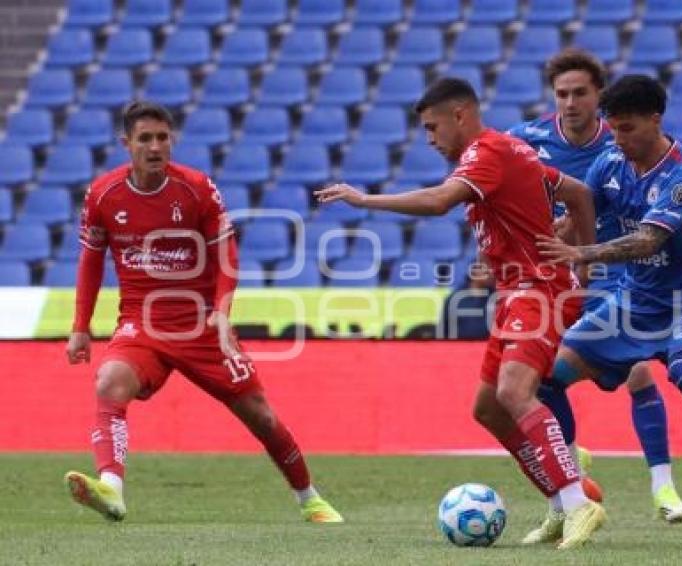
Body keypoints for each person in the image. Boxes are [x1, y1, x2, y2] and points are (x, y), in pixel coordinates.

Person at [316, 78, 606, 550]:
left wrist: (364, 199)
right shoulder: (512, 152)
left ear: (460, 116)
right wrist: (584, 260)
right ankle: (559, 504)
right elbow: (576, 192)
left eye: (432, 128)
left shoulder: (487, 151)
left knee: (515, 391)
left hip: (539, 289)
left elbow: (438, 201)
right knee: (489, 408)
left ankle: (579, 503)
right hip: (516, 292)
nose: (430, 140)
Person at [508, 49, 682, 532]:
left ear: (655, 120)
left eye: (627, 128)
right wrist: (545, 249)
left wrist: (583, 256)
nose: (618, 138)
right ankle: (572, 483)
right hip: (629, 302)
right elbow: (578, 214)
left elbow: (649, 240)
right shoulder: (610, 163)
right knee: (546, 379)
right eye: (615, 127)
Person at [64, 101, 342, 524]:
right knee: (109, 383)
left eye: (163, 137)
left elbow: (226, 252)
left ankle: (310, 499)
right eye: (145, 138)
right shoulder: (103, 194)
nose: (156, 146)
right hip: (143, 323)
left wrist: (223, 312)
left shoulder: (196, 188)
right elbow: (89, 260)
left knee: (261, 416)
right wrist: (80, 327)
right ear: (127, 144)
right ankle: (111, 489)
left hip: (201, 325)